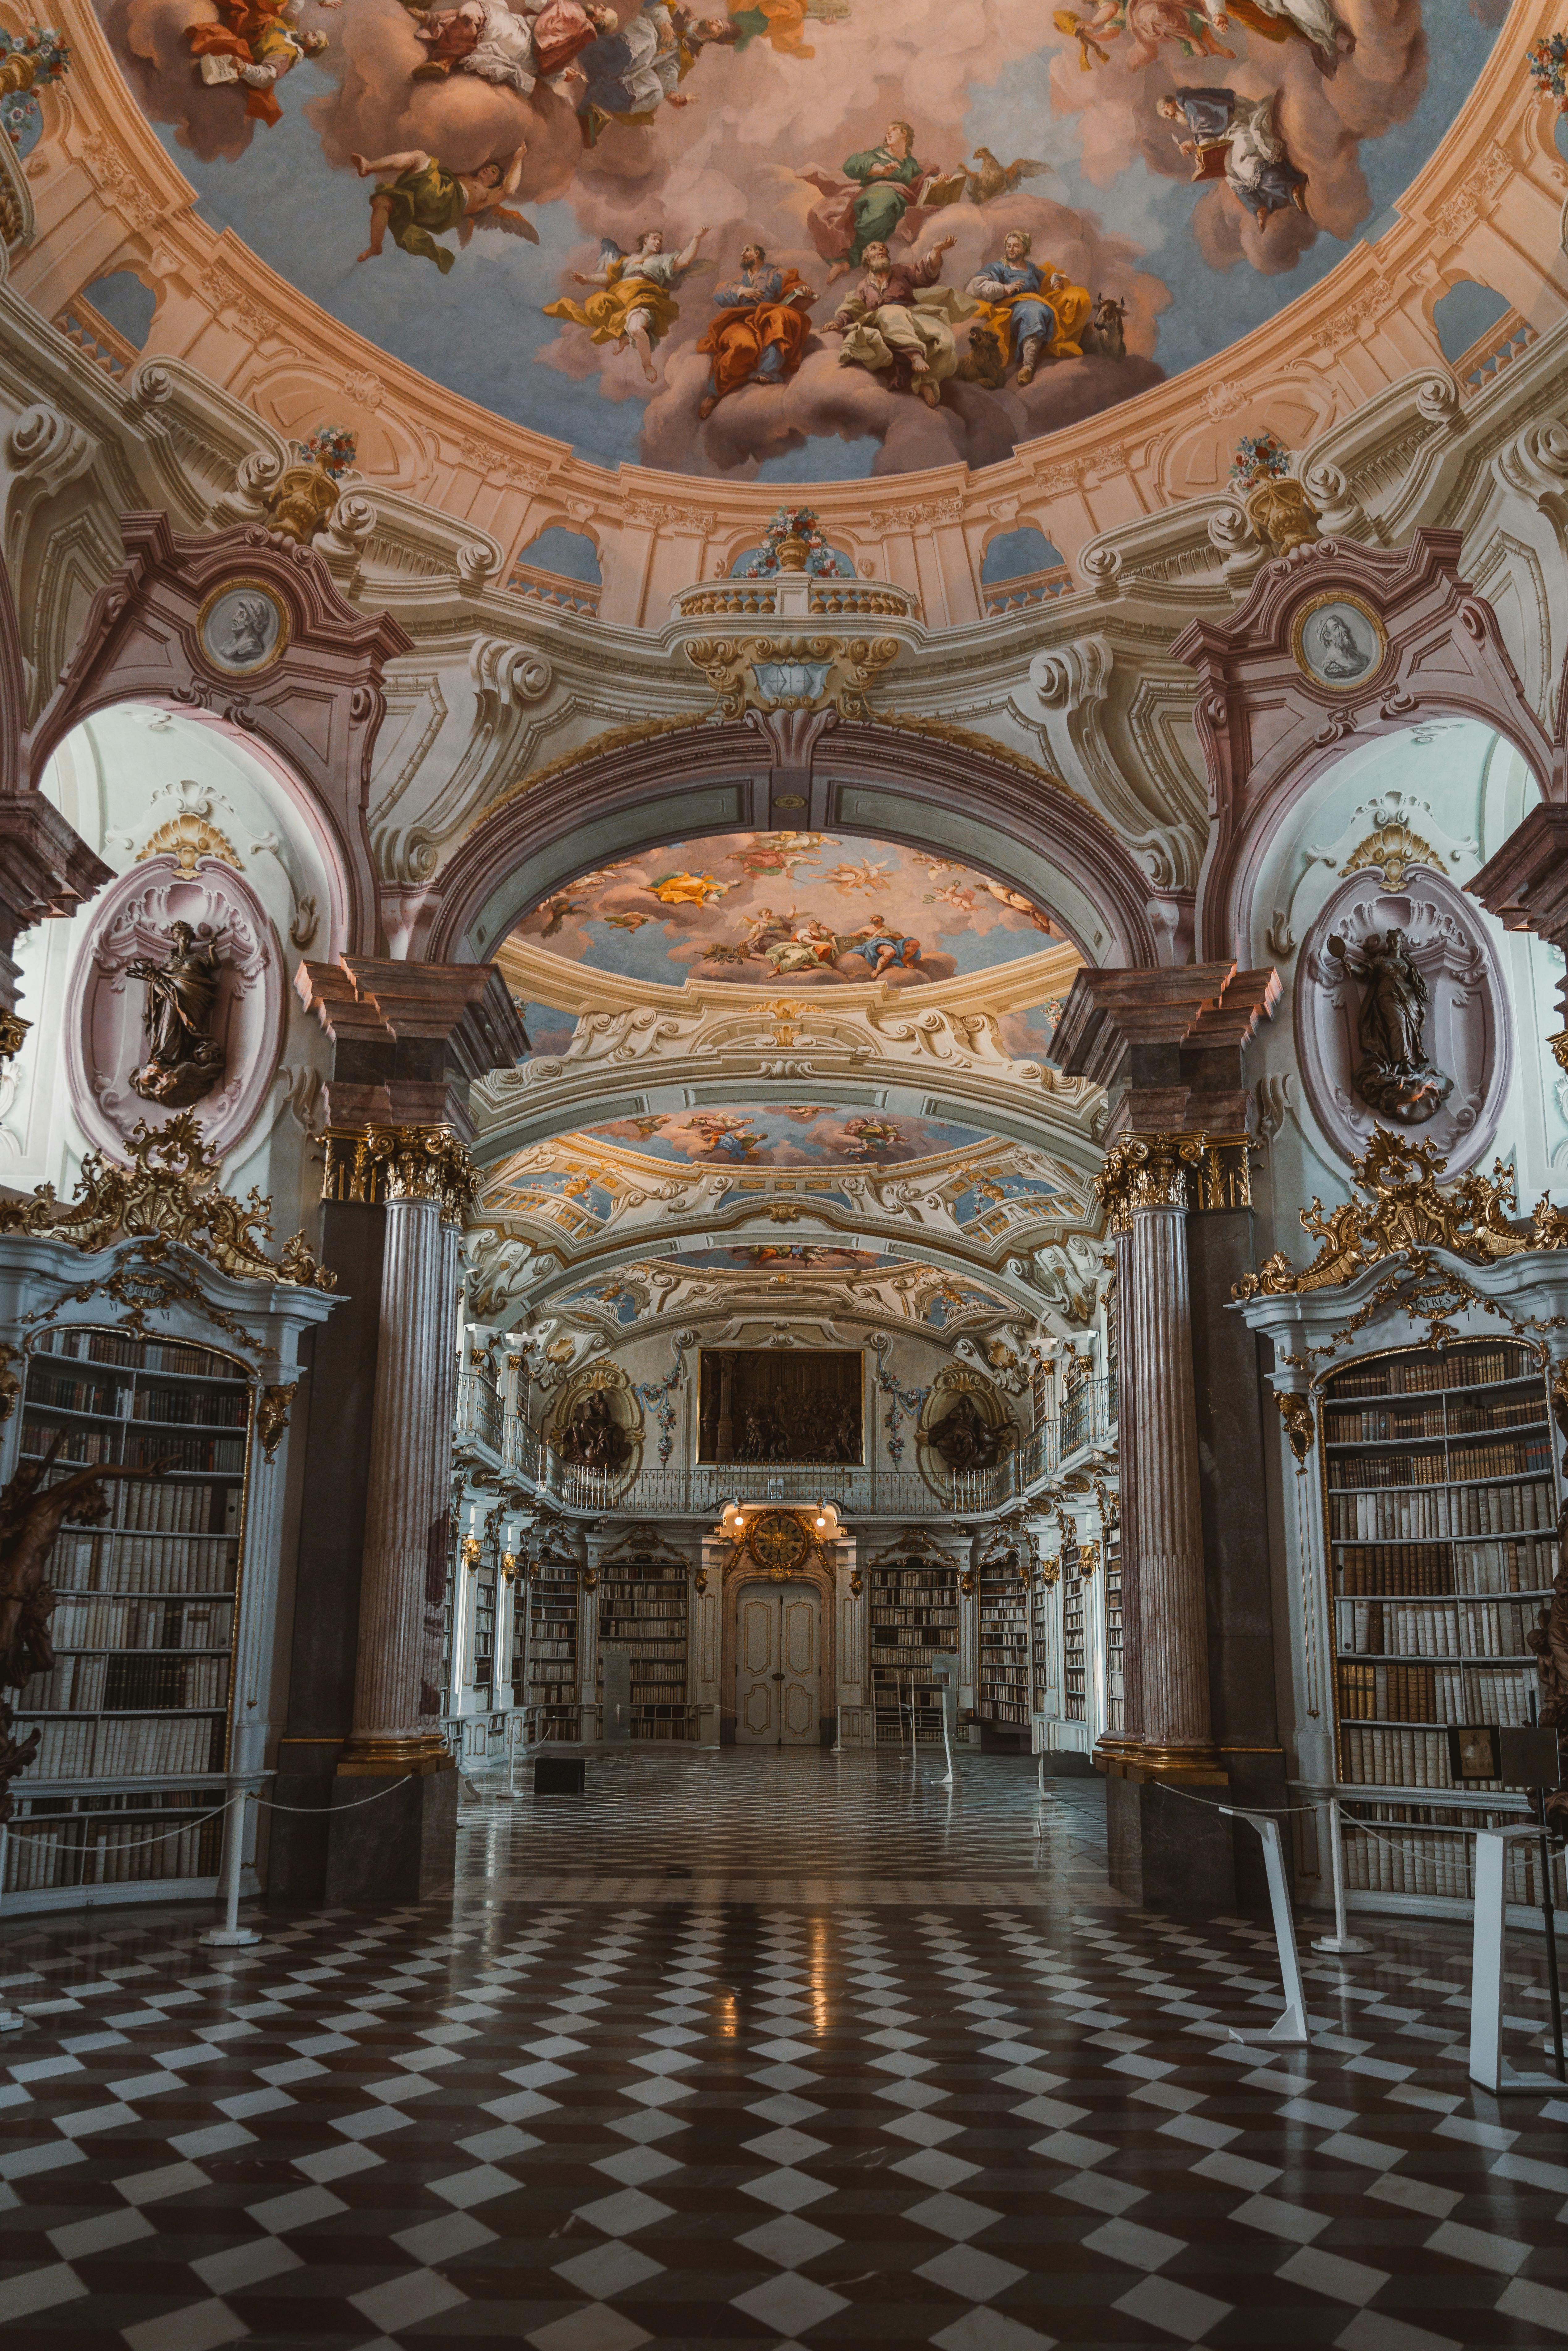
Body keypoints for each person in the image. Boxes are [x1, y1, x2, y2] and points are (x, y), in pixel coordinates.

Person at [545, 226, 708, 384]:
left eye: (661, 241)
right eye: (655, 239)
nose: (659, 243)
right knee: (598, 309)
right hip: (620, 299)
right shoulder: (628, 261)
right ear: (646, 241)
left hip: (643, 298)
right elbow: (609, 279)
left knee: (637, 329)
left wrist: (697, 238)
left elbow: (685, 261)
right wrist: (586, 279)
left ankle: (647, 365)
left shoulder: (662, 260)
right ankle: (624, 336)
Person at [827, 235, 973, 408]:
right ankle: (914, 354)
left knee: (946, 340)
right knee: (890, 312)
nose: (881, 250)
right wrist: (838, 322)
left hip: (912, 315)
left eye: (884, 250)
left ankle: (926, 381)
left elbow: (925, 272)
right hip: (882, 321)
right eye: (875, 249)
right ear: (867, 258)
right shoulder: (863, 286)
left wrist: (936, 251)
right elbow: (852, 308)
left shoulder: (900, 271)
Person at [353, 145, 531, 273]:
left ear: (494, 183)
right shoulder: (463, 177)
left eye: (494, 172)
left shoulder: (486, 195)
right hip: (430, 199)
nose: (488, 170)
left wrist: (518, 159)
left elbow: (509, 190)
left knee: (420, 158)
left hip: (445, 205)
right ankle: (375, 247)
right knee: (383, 203)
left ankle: (368, 168)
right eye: (488, 168)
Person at [1157, 87, 1307, 228]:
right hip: (1226, 133)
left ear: (1169, 106)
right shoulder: (1188, 108)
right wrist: (1195, 147)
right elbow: (1208, 130)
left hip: (1236, 123)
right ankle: (1260, 208)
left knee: (1244, 162)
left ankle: (1291, 187)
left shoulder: (1190, 104)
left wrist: (1200, 152)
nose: (1169, 118)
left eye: (1166, 114)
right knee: (1230, 172)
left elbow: (1208, 130)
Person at [696, 244, 816, 419]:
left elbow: (792, 284)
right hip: (741, 323)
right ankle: (715, 394)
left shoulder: (775, 273)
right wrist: (741, 291)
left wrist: (802, 288)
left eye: (746, 251)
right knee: (744, 346)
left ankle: (767, 371)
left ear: (757, 254)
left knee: (780, 319)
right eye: (742, 251)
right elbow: (719, 293)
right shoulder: (740, 280)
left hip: (767, 319)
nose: (742, 254)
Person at [186, 0, 330, 126]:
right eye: (313, 32)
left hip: (245, 34)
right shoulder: (290, 27)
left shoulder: (289, 54)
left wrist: (245, 69)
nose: (310, 33)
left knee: (268, 12)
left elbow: (268, 75)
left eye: (314, 37)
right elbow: (296, 4)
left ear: (312, 47)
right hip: (248, 19)